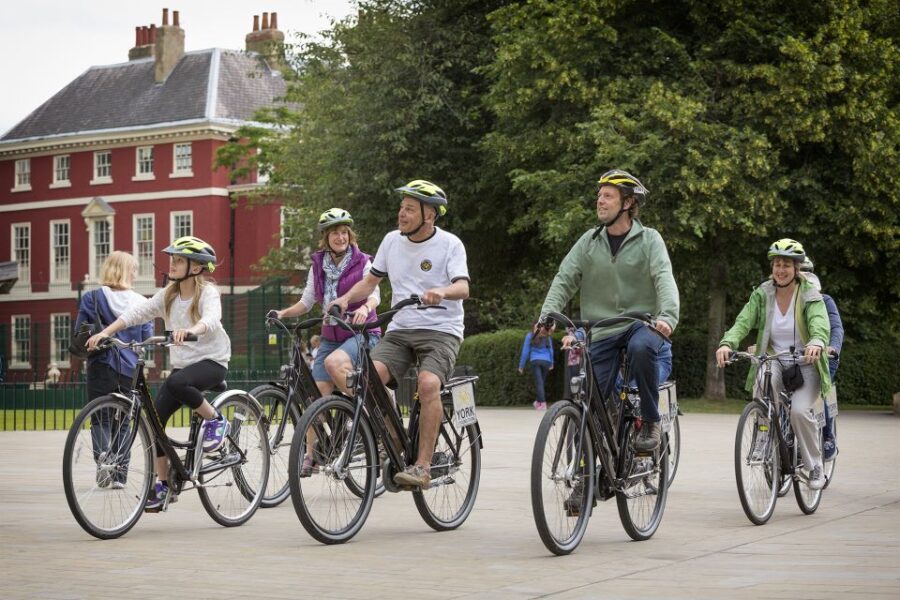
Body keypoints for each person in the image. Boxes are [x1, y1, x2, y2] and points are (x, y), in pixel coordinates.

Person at [330, 179, 469, 490]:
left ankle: (422, 466)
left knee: (428, 383)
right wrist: (344, 300)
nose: (401, 214)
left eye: (409, 209)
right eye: (401, 208)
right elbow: (370, 281)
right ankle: (392, 438)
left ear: (429, 215)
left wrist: (441, 292)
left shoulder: (450, 244)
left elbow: (463, 287)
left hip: (441, 330)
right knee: (367, 379)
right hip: (401, 328)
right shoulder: (392, 241)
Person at [540, 169, 679, 455]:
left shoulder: (650, 239)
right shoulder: (588, 241)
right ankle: (584, 479)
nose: (600, 201)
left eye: (608, 196)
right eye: (599, 196)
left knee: (642, 348)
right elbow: (564, 277)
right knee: (591, 406)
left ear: (627, 203)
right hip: (602, 329)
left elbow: (664, 277)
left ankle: (651, 421)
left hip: (640, 324)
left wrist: (667, 316)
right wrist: (548, 314)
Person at [87, 236, 231, 511]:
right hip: (183, 367)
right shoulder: (169, 294)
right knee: (154, 421)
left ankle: (216, 420)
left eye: (178, 260)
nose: (172, 265)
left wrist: (192, 331)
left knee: (177, 381)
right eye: (172, 260)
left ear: (196, 267)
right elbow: (136, 313)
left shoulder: (207, 292)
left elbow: (211, 320)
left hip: (212, 361)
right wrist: (105, 332)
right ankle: (164, 485)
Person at [271, 208, 381, 476]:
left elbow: (375, 293)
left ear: (349, 235)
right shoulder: (318, 264)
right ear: (326, 237)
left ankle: (369, 413)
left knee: (334, 365)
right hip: (331, 338)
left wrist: (365, 308)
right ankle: (312, 455)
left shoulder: (363, 261)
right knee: (313, 398)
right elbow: (307, 301)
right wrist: (283, 313)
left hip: (361, 333)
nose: (340, 237)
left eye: (344, 232)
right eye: (335, 233)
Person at [716, 239, 832, 490]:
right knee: (762, 387)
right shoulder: (763, 293)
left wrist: (816, 342)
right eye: (777, 264)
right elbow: (743, 322)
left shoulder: (809, 293)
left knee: (799, 411)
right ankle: (763, 437)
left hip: (806, 361)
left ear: (797, 269)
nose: (781, 269)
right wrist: (727, 343)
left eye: (787, 265)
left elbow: (820, 323)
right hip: (774, 359)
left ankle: (814, 467)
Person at [76, 251, 153, 489]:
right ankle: (120, 475)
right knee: (124, 421)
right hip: (129, 368)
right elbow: (146, 337)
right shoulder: (142, 302)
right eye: (134, 269)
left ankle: (103, 463)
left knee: (100, 418)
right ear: (128, 271)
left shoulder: (92, 298)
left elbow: (81, 331)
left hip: (101, 364)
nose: (135, 273)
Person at [800, 258, 843, 460]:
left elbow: (835, 327)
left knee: (819, 392)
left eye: (805, 270)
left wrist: (832, 346)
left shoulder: (824, 299)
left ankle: (827, 437)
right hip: (797, 356)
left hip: (825, 355)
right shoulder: (787, 299)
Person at [518, 321, 555, 410]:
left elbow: (525, 352)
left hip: (535, 361)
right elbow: (551, 350)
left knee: (539, 382)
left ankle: (542, 403)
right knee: (541, 382)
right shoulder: (547, 336)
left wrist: (521, 366)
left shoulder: (530, 336)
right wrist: (552, 362)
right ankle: (538, 402)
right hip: (546, 361)